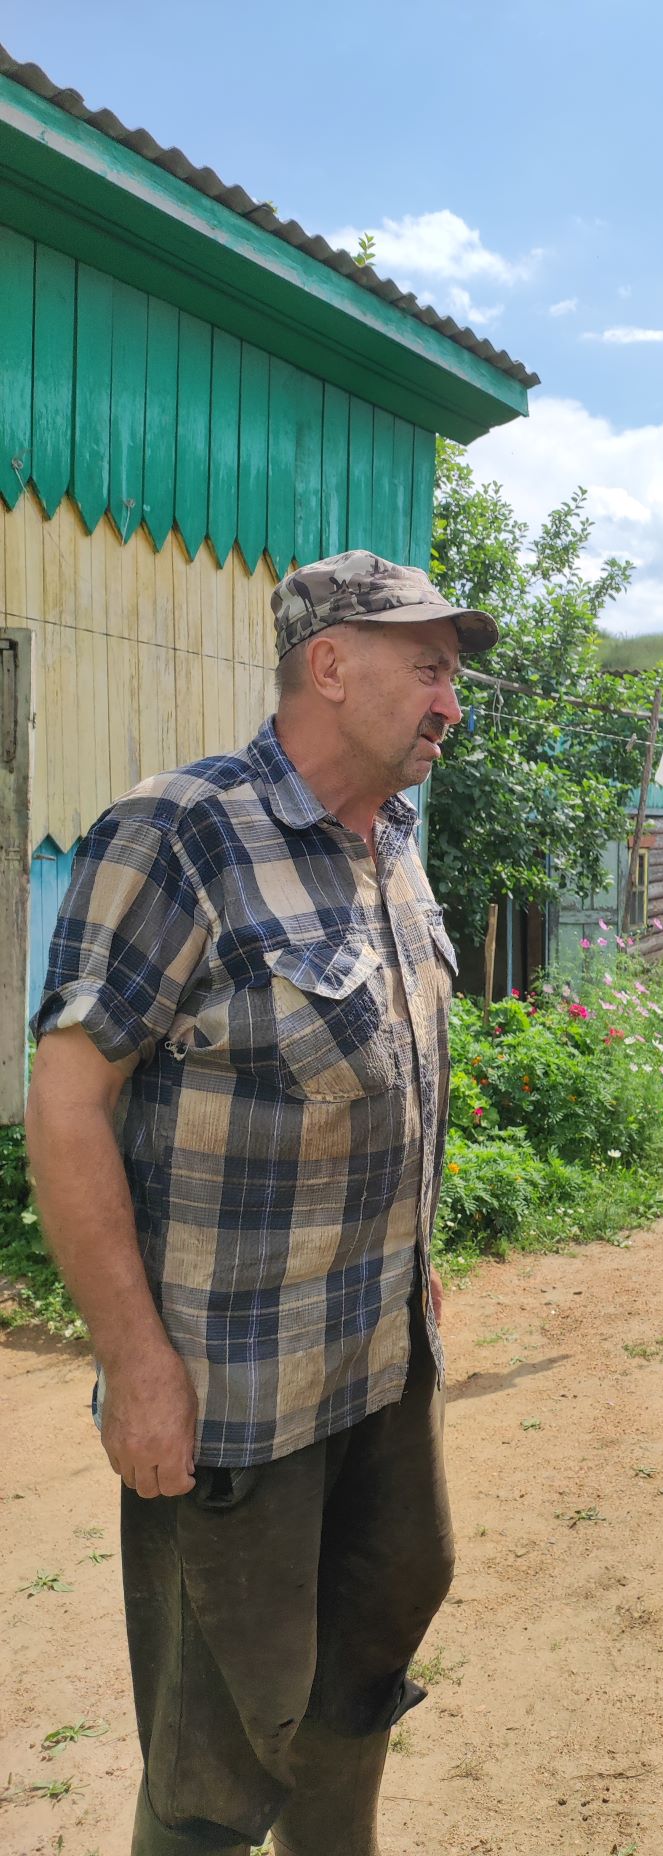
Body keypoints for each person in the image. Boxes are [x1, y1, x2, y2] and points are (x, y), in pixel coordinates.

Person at [25, 550, 496, 1856]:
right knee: (216, 1753)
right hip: (235, 1395)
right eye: (430, 668)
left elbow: (385, 1076)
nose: (452, 700)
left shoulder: (393, 839)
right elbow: (66, 1103)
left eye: (454, 672)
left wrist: (415, 1262)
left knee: (362, 1671)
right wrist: (135, 1362)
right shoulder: (179, 833)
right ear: (330, 664)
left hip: (380, 1364)